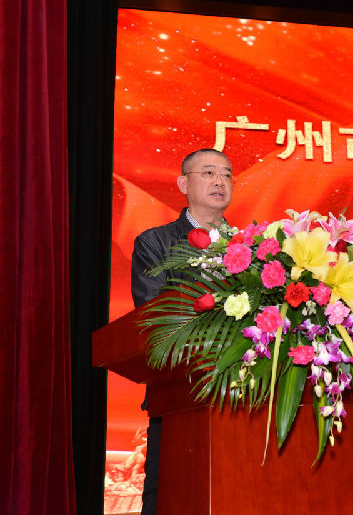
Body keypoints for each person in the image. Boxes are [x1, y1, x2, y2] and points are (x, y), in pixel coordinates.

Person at [131, 148, 233, 515]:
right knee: (171, 494)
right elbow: (155, 314)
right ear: (183, 183)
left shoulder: (251, 245)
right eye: (208, 173)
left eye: (227, 174)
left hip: (242, 394)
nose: (220, 181)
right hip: (180, 391)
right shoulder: (155, 242)